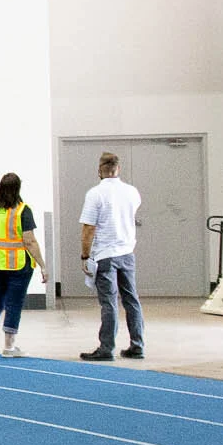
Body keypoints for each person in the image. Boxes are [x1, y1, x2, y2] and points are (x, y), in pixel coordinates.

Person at [78, 152, 145, 361]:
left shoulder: (95, 194)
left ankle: (106, 348)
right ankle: (137, 345)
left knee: (109, 302)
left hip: (105, 255)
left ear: (99, 170)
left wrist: (85, 256)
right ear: (118, 169)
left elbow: (89, 228)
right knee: (131, 299)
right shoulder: (132, 192)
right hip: (127, 253)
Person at [0, 172, 45, 357]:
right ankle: (9, 347)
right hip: (18, 265)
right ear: (18, 188)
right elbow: (29, 240)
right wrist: (43, 265)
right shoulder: (22, 210)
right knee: (14, 305)